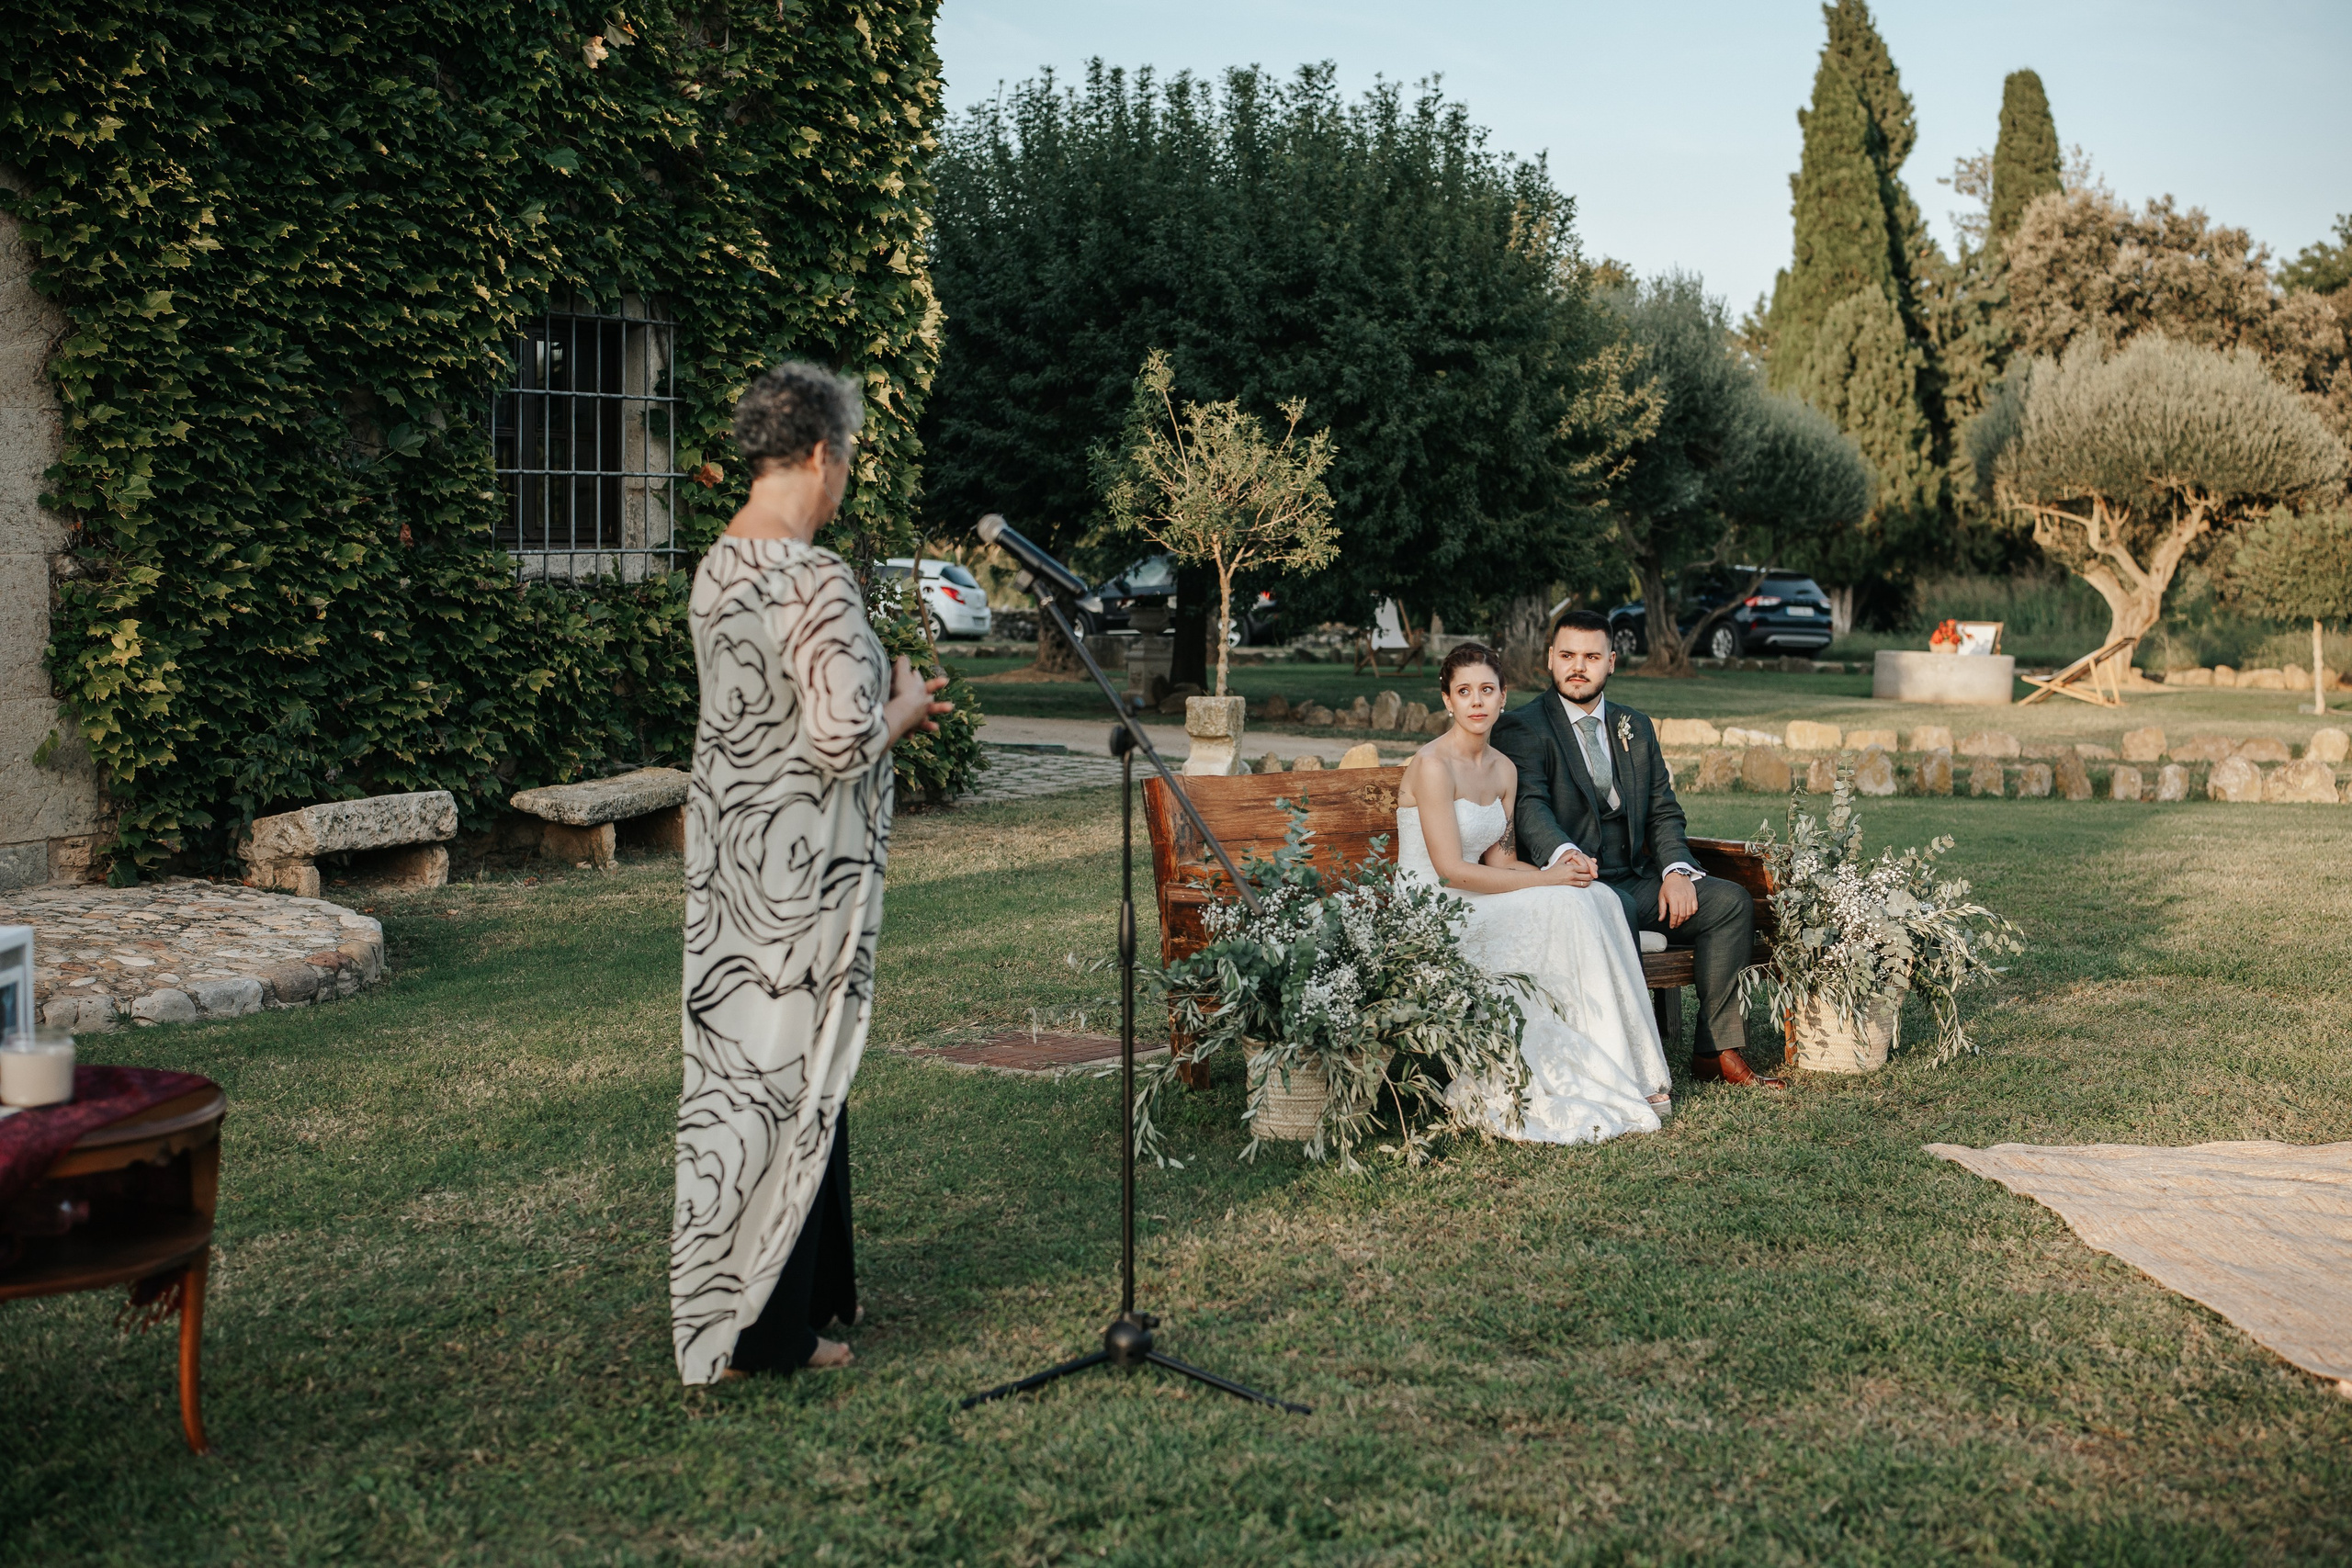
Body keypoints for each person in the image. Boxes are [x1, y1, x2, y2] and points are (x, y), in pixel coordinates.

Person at [671, 361, 952, 1385]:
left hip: (731, 864)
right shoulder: (812, 576)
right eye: (849, 463)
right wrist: (908, 706)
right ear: (824, 453)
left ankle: (801, 1291)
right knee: (796, 1075)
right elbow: (840, 739)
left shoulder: (718, 567)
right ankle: (770, 1334)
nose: (845, 485)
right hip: (804, 876)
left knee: (745, 1081)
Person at [1491, 610, 1783, 1089]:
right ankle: (1617, 1055)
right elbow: (1529, 808)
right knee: (1615, 906)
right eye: (1567, 655)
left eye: (1590, 656)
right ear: (1550, 660)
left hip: (1639, 879)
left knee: (1729, 902)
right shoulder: (1523, 728)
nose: (1578, 667)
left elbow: (1664, 810)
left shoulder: (1636, 726)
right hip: (1574, 885)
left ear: (1611, 661)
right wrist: (1565, 855)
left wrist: (1675, 871)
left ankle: (1716, 1051)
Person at [1397, 641, 1674, 1145]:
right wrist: (1548, 879)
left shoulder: (1503, 769)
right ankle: (1594, 1063)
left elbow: (1501, 860)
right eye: (1464, 692)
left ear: (1504, 697)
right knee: (1561, 905)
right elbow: (1451, 872)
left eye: (1487, 690)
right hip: (1431, 909)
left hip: (1479, 894)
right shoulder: (1432, 766)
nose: (1477, 702)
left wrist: (1566, 869)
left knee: (1598, 898)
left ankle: (1634, 1070)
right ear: (1447, 701)